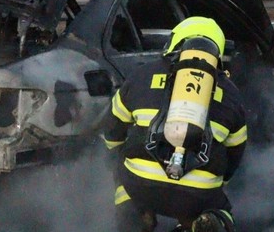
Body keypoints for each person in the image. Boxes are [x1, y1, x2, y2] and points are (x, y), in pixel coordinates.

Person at [103, 16, 247, 232]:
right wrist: (218, 181)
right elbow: (236, 152)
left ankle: (136, 218)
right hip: (197, 193)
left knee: (124, 182)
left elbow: (113, 129)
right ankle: (207, 221)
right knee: (219, 207)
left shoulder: (141, 75)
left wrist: (117, 159)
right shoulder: (230, 92)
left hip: (140, 184)